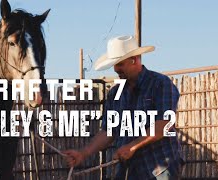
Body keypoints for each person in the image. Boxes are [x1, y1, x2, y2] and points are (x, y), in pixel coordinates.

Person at [64, 35, 184, 179]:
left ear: (134, 60)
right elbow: (109, 131)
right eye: (114, 64)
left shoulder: (160, 84)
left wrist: (132, 146)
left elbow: (164, 124)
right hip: (129, 169)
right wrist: (83, 153)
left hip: (160, 167)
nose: (116, 69)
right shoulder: (115, 93)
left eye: (119, 64)